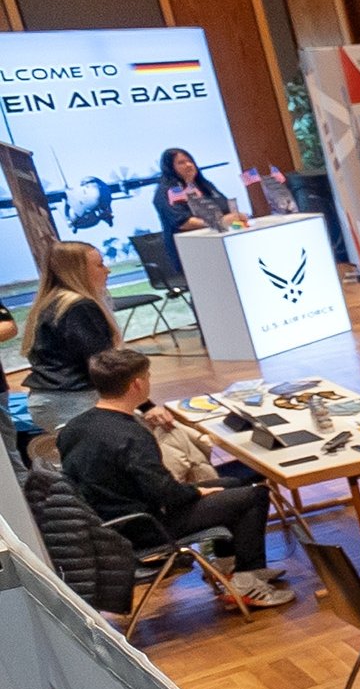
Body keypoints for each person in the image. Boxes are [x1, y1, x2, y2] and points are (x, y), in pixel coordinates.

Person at [58, 349, 293, 608]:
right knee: (254, 496)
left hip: (110, 522)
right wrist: (197, 493)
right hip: (145, 527)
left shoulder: (73, 427)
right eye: (147, 376)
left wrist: (200, 491)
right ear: (136, 384)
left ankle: (231, 567)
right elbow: (166, 493)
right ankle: (246, 583)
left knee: (231, 485)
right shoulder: (132, 435)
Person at [24, 242, 133, 433]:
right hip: (72, 400)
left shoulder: (53, 303)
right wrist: (144, 403)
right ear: (77, 271)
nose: (107, 270)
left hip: (50, 398)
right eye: (99, 265)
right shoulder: (79, 307)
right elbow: (103, 362)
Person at [151, 147, 232, 246]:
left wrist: (235, 216)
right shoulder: (171, 190)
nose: (188, 165)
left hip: (220, 240)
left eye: (190, 161)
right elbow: (183, 222)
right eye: (181, 163)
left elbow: (225, 206)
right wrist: (219, 223)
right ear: (170, 168)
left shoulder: (204, 185)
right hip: (190, 247)